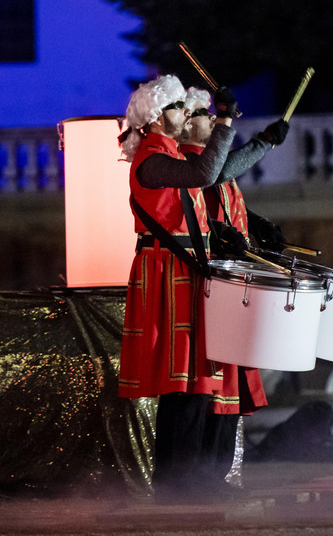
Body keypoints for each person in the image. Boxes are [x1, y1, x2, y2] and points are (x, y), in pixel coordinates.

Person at [117, 74, 264, 501]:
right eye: (177, 107)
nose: (184, 113)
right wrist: (225, 122)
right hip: (168, 276)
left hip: (184, 275)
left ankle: (194, 481)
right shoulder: (151, 159)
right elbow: (204, 172)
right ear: (154, 118)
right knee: (182, 385)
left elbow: (202, 184)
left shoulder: (165, 155)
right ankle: (178, 484)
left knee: (195, 384)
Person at [180, 87, 290, 253]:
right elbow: (221, 171)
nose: (213, 117)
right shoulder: (184, 160)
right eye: (203, 112)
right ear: (186, 122)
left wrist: (256, 223)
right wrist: (265, 141)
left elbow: (226, 203)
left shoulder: (209, 156)